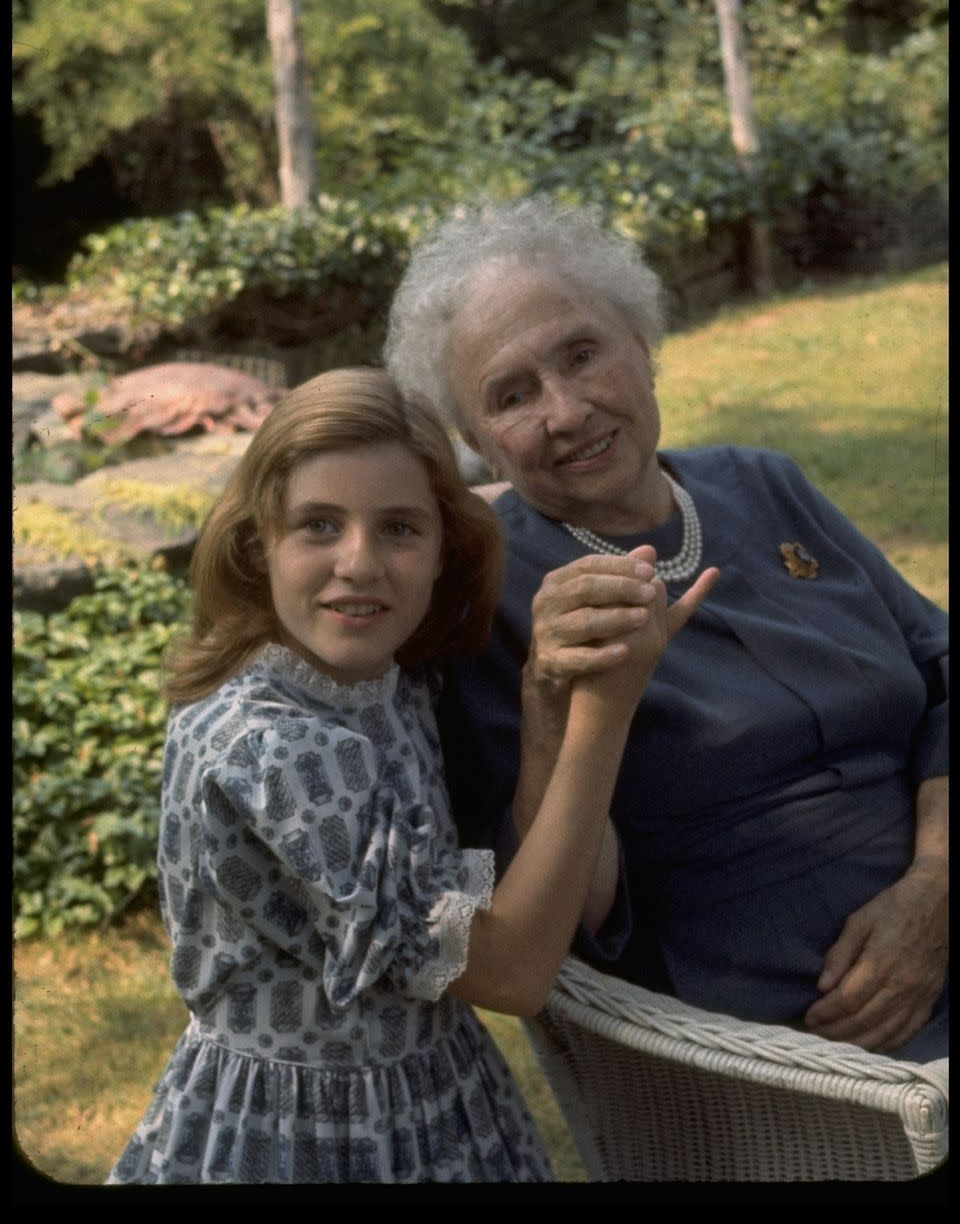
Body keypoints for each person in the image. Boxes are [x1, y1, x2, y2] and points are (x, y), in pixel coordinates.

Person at [108, 367, 714, 1185]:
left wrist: (542, 705)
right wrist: (604, 713)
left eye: (399, 529)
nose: (358, 563)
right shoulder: (277, 745)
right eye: (319, 525)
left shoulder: (379, 682)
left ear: (441, 552)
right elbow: (513, 972)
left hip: (432, 1095)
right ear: (259, 544)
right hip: (305, 1134)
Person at [384, 196, 949, 1065]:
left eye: (582, 354)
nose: (567, 410)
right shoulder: (491, 597)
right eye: (512, 395)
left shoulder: (763, 485)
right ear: (477, 443)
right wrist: (552, 707)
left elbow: (940, 667)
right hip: (798, 1022)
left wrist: (934, 882)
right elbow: (563, 905)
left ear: (641, 344)